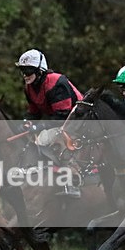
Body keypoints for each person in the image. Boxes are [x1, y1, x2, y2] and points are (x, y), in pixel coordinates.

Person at [17, 48, 84, 196]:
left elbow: (63, 115)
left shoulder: (56, 82)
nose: (24, 75)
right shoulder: (29, 88)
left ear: (40, 71)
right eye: (22, 71)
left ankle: (71, 183)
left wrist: (39, 126)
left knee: (45, 138)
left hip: (79, 120)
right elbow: (34, 112)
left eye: (28, 71)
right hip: (64, 121)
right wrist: (26, 122)